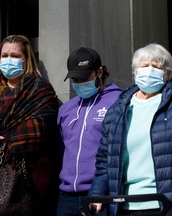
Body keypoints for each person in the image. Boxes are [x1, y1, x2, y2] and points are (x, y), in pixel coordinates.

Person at [86, 43, 172, 216]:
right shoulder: (118, 108)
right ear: (135, 72)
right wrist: (96, 194)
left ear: (168, 73)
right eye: (144, 66)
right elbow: (105, 161)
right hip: (125, 207)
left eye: (155, 66)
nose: (149, 70)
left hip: (168, 205)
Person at [0, 35, 60, 215]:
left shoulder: (40, 89)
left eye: (15, 56)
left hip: (30, 175)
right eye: (4, 55)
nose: (8, 60)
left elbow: (37, 128)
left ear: (26, 59)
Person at [56, 47, 123, 216]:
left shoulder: (119, 101)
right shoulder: (66, 109)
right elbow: (61, 149)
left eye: (84, 77)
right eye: (75, 79)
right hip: (67, 196)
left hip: (103, 194)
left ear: (100, 71)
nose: (79, 83)